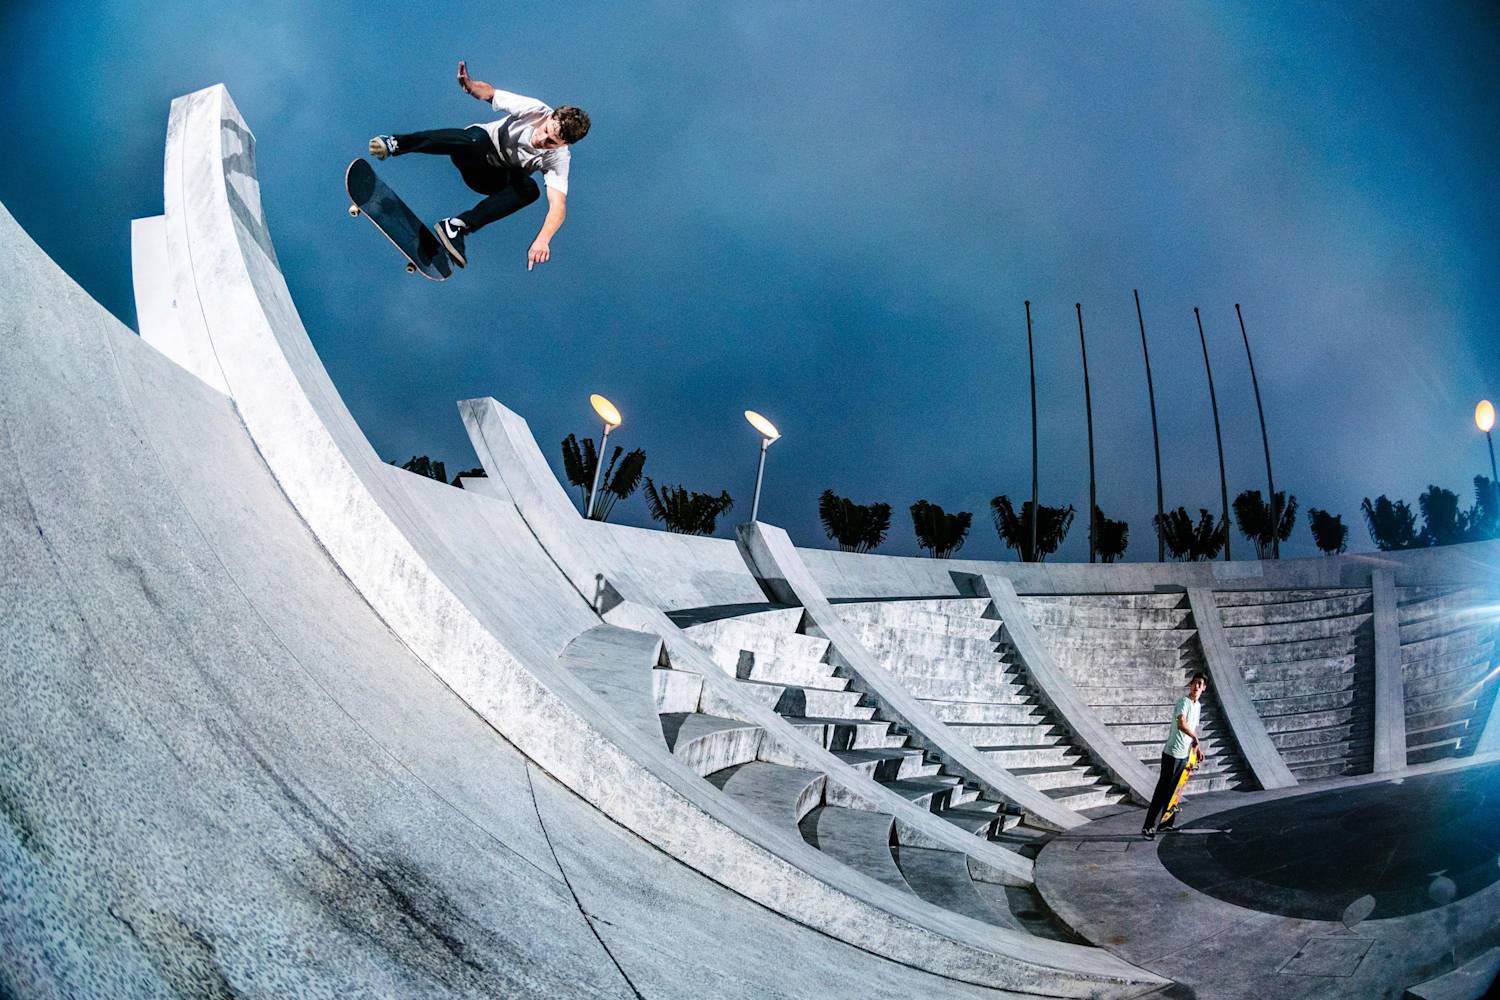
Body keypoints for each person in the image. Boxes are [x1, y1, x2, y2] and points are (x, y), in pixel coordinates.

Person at [368, 61, 590, 271]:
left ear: (565, 144)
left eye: (551, 142)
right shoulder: (535, 109)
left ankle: (457, 227)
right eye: (545, 131)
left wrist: (543, 239)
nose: (542, 140)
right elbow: (491, 93)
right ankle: (397, 143)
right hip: (474, 150)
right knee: (476, 138)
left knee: (530, 190)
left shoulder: (559, 159)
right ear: (549, 116)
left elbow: (558, 205)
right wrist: (471, 86)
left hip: (490, 179)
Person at [1141, 671, 1209, 839]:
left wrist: (1197, 747)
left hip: (1185, 755)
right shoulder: (1183, 702)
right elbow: (1182, 724)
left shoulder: (1197, 706)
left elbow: (1192, 728)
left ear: (1204, 689)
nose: (1197, 686)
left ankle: (1165, 824)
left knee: (1174, 792)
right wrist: (1194, 738)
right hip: (1172, 754)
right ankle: (1148, 826)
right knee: (1162, 792)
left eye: (1200, 684)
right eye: (1195, 683)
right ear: (1190, 685)